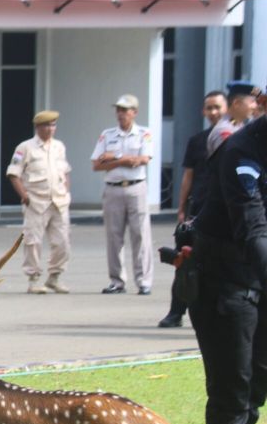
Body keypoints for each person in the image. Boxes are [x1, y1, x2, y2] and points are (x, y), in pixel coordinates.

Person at [189, 111, 267, 424]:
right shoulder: (242, 151)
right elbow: (253, 229)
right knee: (231, 396)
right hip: (224, 287)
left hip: (258, 285)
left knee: (255, 389)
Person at [158, 90, 227, 328]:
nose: (213, 112)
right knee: (184, 262)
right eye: (209, 108)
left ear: (227, 108)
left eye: (217, 107)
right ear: (203, 111)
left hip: (226, 212)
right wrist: (181, 209)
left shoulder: (238, 138)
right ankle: (176, 312)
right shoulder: (197, 140)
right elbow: (188, 176)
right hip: (198, 209)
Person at [91, 94, 153, 295]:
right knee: (114, 236)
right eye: (118, 110)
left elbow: (142, 159)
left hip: (136, 188)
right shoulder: (107, 135)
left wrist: (115, 157)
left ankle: (143, 281)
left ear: (134, 112)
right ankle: (117, 281)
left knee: (140, 235)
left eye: (125, 110)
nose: (120, 114)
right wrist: (125, 160)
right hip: (113, 188)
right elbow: (97, 164)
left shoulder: (143, 134)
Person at [6, 110, 72, 294]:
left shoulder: (59, 146)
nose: (50, 129)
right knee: (33, 241)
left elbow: (65, 171)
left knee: (63, 242)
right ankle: (33, 279)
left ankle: (54, 277)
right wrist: (24, 196)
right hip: (36, 202)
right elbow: (13, 173)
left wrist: (66, 191)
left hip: (58, 201)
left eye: (53, 125)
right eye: (46, 125)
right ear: (37, 127)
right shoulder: (25, 147)